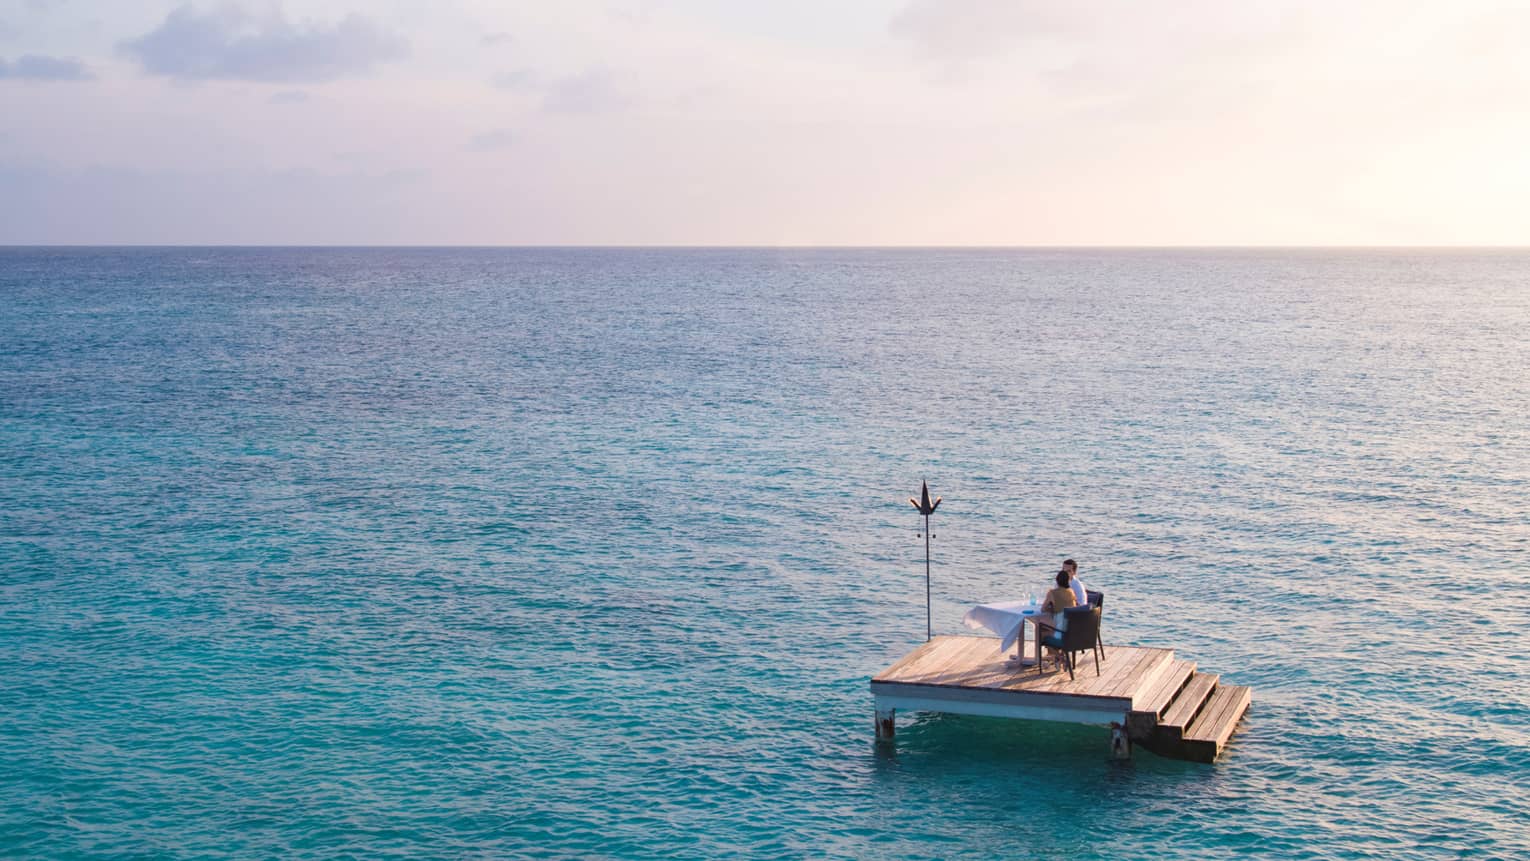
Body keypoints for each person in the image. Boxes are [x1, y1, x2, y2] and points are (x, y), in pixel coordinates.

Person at [1035, 569, 1077, 670]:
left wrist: (1051, 607)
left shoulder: (1052, 593)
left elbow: (1043, 609)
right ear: (1068, 581)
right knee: (1047, 629)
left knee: (1040, 632)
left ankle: (1059, 657)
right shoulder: (1071, 592)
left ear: (1057, 581)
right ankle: (1059, 658)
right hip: (1071, 632)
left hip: (1060, 631)